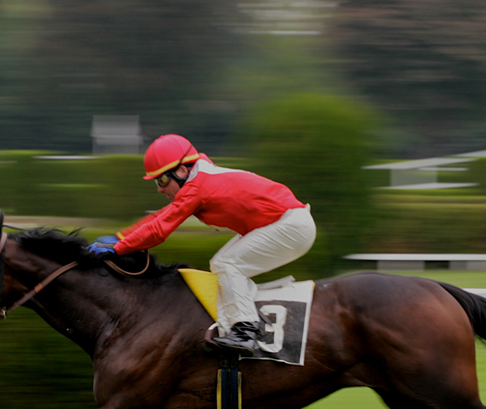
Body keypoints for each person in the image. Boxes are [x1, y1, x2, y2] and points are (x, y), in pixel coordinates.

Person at [87, 134, 316, 356]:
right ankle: (244, 322)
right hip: (286, 223)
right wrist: (120, 237)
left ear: (182, 171)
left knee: (226, 264)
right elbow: (161, 216)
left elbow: (159, 230)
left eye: (162, 180)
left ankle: (245, 331)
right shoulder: (199, 179)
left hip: (291, 227)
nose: (160, 188)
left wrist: (118, 248)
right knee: (222, 265)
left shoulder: (198, 188)